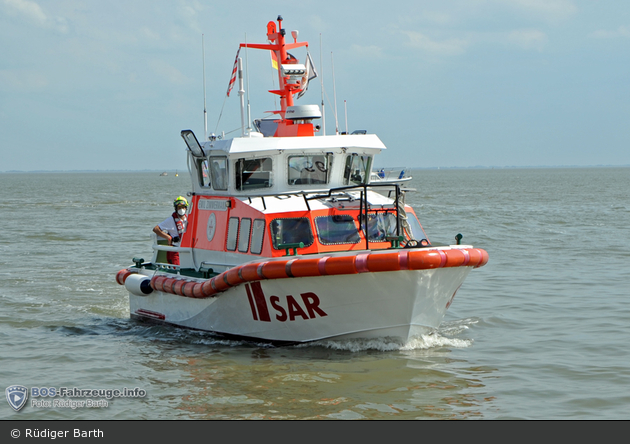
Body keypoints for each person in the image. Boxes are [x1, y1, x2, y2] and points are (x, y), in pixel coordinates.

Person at [153, 196, 189, 265]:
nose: (181, 209)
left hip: (185, 250)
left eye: (183, 207)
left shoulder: (188, 219)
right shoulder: (171, 220)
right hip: (175, 251)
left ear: (186, 208)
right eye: (179, 207)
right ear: (176, 208)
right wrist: (168, 237)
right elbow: (156, 229)